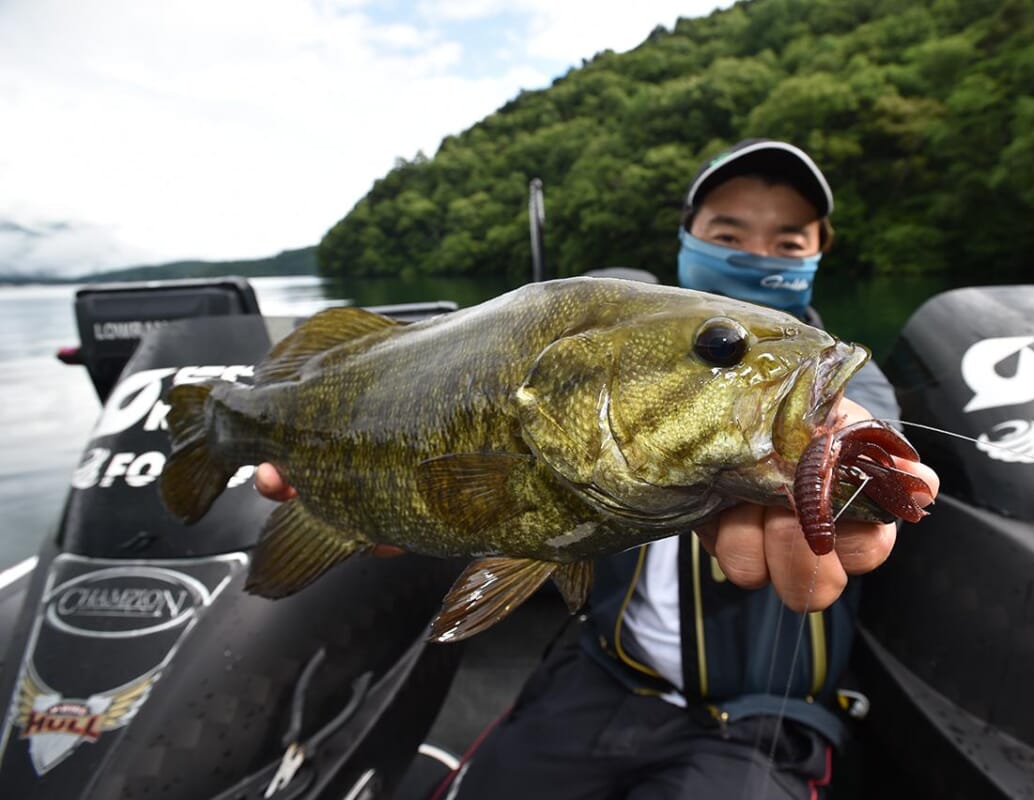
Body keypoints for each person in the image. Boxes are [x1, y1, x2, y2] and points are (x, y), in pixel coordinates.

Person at [255, 139, 938, 799]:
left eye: (789, 241)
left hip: (759, 717)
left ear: (820, 252)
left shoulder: (846, 379)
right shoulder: (622, 330)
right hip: (600, 675)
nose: (758, 254)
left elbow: (866, 426)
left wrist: (866, 472)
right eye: (728, 234)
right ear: (686, 238)